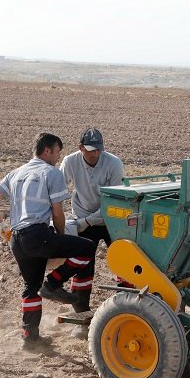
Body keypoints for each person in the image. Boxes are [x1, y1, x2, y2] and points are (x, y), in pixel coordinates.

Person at [0, 132, 97, 351]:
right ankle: (53, 284)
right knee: (88, 248)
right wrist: (61, 236)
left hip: (17, 239)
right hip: (38, 235)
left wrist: (2, 225)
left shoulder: (15, 173)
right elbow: (57, 213)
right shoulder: (51, 173)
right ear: (47, 150)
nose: (58, 157)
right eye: (57, 152)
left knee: (30, 287)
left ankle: (30, 337)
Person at [60, 128, 125, 331]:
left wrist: (87, 221)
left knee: (124, 261)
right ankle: (81, 318)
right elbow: (58, 190)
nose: (95, 154)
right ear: (80, 149)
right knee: (82, 267)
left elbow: (113, 202)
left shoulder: (113, 163)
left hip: (110, 219)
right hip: (82, 217)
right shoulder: (70, 162)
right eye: (90, 150)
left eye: (98, 149)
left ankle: (125, 311)